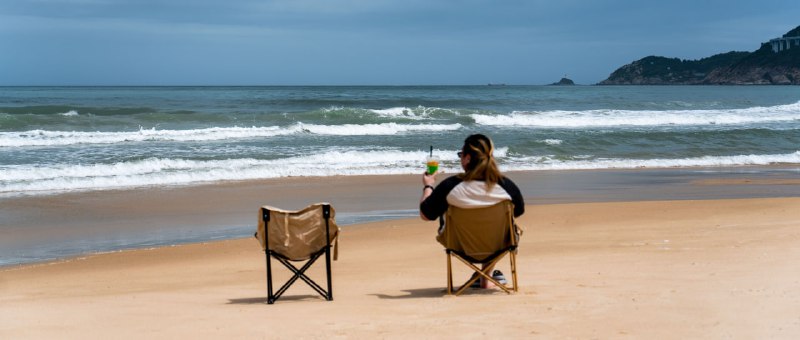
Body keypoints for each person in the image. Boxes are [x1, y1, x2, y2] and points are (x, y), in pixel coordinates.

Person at [419, 133, 525, 289]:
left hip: (460, 247)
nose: (461, 158)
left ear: (468, 158)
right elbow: (518, 212)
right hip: (498, 247)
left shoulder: (451, 186)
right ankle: (486, 278)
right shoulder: (505, 185)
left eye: (461, 155)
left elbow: (425, 215)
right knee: (500, 229)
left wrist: (428, 185)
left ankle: (483, 278)